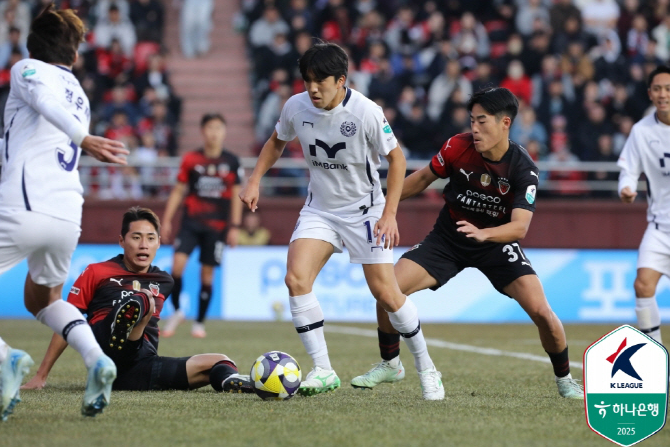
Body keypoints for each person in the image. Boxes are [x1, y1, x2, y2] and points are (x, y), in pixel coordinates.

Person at [350, 87, 584, 400]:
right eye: (472, 120)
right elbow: (421, 179)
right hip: (448, 239)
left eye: (482, 122)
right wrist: (381, 207)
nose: (474, 128)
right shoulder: (457, 146)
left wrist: (485, 233)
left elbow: (519, 227)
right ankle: (391, 363)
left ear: (505, 123)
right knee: (386, 290)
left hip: (496, 243)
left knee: (542, 312)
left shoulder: (523, 167)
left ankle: (565, 381)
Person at [239, 42, 442, 400]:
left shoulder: (365, 112)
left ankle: (427, 369)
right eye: (307, 81)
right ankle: (324, 369)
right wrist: (254, 179)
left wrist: (389, 213)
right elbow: (276, 141)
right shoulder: (295, 107)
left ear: (341, 80)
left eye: (320, 81)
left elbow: (397, 160)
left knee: (387, 295)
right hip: (320, 209)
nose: (312, 89)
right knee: (295, 278)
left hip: (365, 211)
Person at [0, 5, 129, 421]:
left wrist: (85, 139)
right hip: (65, 215)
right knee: (40, 299)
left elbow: (41, 100)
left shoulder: (28, 71)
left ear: (30, 46)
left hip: (24, 205)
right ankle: (97, 360)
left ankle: (3, 356)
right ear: (74, 56)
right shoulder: (78, 94)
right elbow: (11, 149)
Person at [21, 207, 253, 394]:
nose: (144, 245)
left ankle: (234, 383)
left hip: (141, 368)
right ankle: (120, 332)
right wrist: (41, 375)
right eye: (136, 237)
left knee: (220, 361)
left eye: (150, 238)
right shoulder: (95, 271)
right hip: (104, 351)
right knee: (143, 299)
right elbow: (66, 323)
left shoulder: (164, 280)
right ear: (122, 241)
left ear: (158, 243)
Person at [161, 113, 243, 338]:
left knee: (207, 275)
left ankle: (199, 322)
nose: (214, 132)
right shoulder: (191, 159)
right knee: (177, 267)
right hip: (190, 223)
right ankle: (177, 311)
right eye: (210, 128)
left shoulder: (232, 162)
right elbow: (178, 190)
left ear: (224, 132)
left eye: (218, 128)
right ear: (203, 131)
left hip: (217, 228)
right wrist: (167, 220)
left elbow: (237, 195)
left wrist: (235, 227)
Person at [617, 65, 670, 344]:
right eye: (658, 89)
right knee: (643, 285)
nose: (663, 94)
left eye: (668, 89)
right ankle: (657, 356)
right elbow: (628, 169)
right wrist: (626, 188)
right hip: (660, 228)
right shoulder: (641, 131)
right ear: (650, 93)